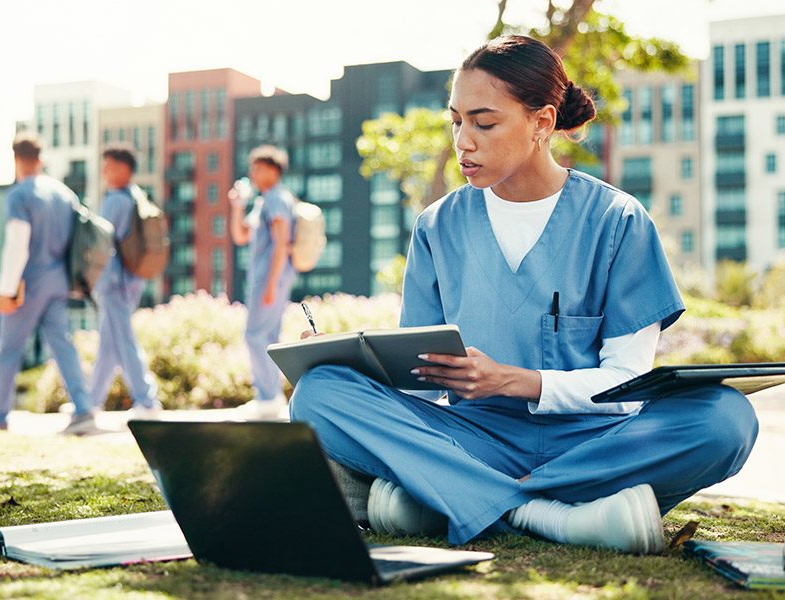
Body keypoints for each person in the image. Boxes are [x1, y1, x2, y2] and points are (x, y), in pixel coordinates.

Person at [289, 35, 759, 554]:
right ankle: (551, 517)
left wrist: (518, 382)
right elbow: (421, 386)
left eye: (484, 123)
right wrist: (355, 362)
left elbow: (628, 386)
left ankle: (445, 500)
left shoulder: (617, 221)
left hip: (593, 445)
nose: (463, 141)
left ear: (541, 123)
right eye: (456, 121)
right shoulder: (437, 226)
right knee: (321, 393)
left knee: (724, 418)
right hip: (469, 441)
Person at [0, 134, 96, 435]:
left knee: (9, 350)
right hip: (60, 283)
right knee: (63, 346)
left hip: (28, 285)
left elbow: (17, 245)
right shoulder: (63, 193)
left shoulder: (19, 195)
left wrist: (5, 291)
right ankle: (84, 408)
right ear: (41, 157)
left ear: (16, 159)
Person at [87, 145, 162, 420]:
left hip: (114, 281)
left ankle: (147, 400)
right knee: (109, 343)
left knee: (124, 340)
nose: (104, 172)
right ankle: (91, 401)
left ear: (123, 168)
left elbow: (99, 242)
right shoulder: (136, 196)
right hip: (132, 278)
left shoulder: (116, 200)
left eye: (108, 166)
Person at [229, 145, 297, 419]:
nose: (252, 174)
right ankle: (270, 398)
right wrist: (237, 207)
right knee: (267, 337)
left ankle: (268, 397)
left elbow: (282, 242)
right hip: (266, 277)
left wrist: (271, 283)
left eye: (256, 169)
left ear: (272, 170)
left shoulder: (277, 199)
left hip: (270, 278)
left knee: (254, 335)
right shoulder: (264, 201)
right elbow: (240, 236)